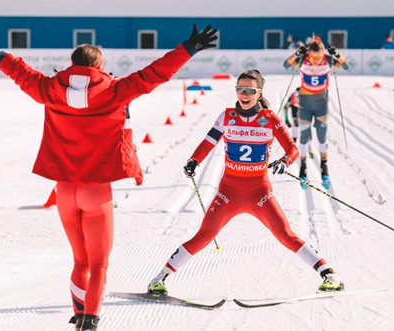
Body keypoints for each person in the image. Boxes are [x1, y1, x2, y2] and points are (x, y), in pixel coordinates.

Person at [0, 24, 217, 330]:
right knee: (98, 264)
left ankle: (79, 314)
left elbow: (17, 69)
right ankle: (90, 320)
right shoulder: (114, 90)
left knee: (80, 262)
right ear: (99, 66)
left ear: (72, 64)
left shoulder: (49, 88)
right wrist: (189, 48)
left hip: (64, 191)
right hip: (96, 191)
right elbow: (155, 73)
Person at [147, 69, 344, 297]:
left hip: (259, 192)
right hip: (228, 192)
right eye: (240, 89)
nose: (244, 94)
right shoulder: (226, 116)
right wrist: (193, 161)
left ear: (259, 92)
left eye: (249, 90)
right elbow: (208, 142)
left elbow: (292, 149)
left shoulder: (270, 119)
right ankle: (158, 279)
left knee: (285, 234)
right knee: (204, 235)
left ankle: (329, 274)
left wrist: (284, 161)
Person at [282, 40, 349, 189]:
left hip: (321, 104)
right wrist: (297, 53)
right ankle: (303, 169)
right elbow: (286, 65)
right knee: (304, 137)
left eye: (319, 58)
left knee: (321, 137)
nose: (316, 61)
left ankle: (324, 169)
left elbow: (346, 66)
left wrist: (337, 54)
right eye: (313, 58)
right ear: (308, 54)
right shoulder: (303, 59)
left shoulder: (328, 60)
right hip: (304, 104)